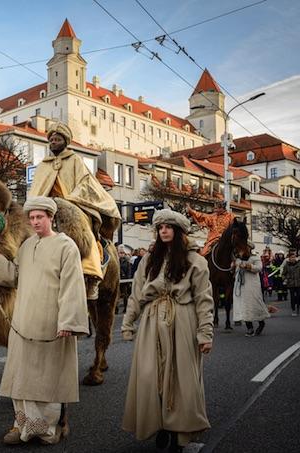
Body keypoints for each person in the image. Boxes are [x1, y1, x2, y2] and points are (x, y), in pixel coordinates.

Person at [0, 197, 89, 445]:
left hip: (51, 322)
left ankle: (48, 428)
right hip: (23, 321)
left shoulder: (67, 246)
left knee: (47, 377)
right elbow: (16, 276)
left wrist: (68, 321)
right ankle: (22, 425)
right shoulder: (27, 245)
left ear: (51, 218)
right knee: (23, 376)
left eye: (40, 217)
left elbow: (72, 286)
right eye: (32, 218)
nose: (35, 222)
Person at [121, 209, 214, 452]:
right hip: (152, 321)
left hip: (182, 320)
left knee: (180, 378)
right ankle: (159, 424)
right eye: (160, 227)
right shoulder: (149, 261)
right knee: (151, 376)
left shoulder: (196, 261)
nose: (163, 230)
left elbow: (204, 300)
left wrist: (205, 334)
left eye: (169, 227)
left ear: (179, 231)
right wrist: (128, 323)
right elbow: (137, 294)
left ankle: (177, 432)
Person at [28, 121, 120, 302]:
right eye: (51, 139)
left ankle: (92, 274)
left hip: (72, 204)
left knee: (82, 232)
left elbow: (85, 183)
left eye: (57, 139)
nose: (53, 142)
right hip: (46, 208)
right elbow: (35, 190)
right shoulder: (43, 166)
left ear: (65, 141)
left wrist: (70, 199)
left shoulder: (75, 160)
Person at [233, 245, 270, 336]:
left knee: (254, 304)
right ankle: (249, 328)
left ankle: (261, 323)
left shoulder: (254, 258)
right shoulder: (238, 259)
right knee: (244, 305)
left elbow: (259, 268)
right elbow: (236, 271)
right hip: (240, 286)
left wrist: (247, 266)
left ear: (249, 248)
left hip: (252, 285)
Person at [281, 250, 300, 317]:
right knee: (292, 297)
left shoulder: (299, 264)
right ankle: (293, 309)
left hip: (298, 283)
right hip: (291, 283)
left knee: (298, 297)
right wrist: (285, 279)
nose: (293, 258)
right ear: (289, 258)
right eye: (291, 257)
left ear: (296, 258)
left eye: (294, 257)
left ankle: (298, 307)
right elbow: (283, 274)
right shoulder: (287, 265)